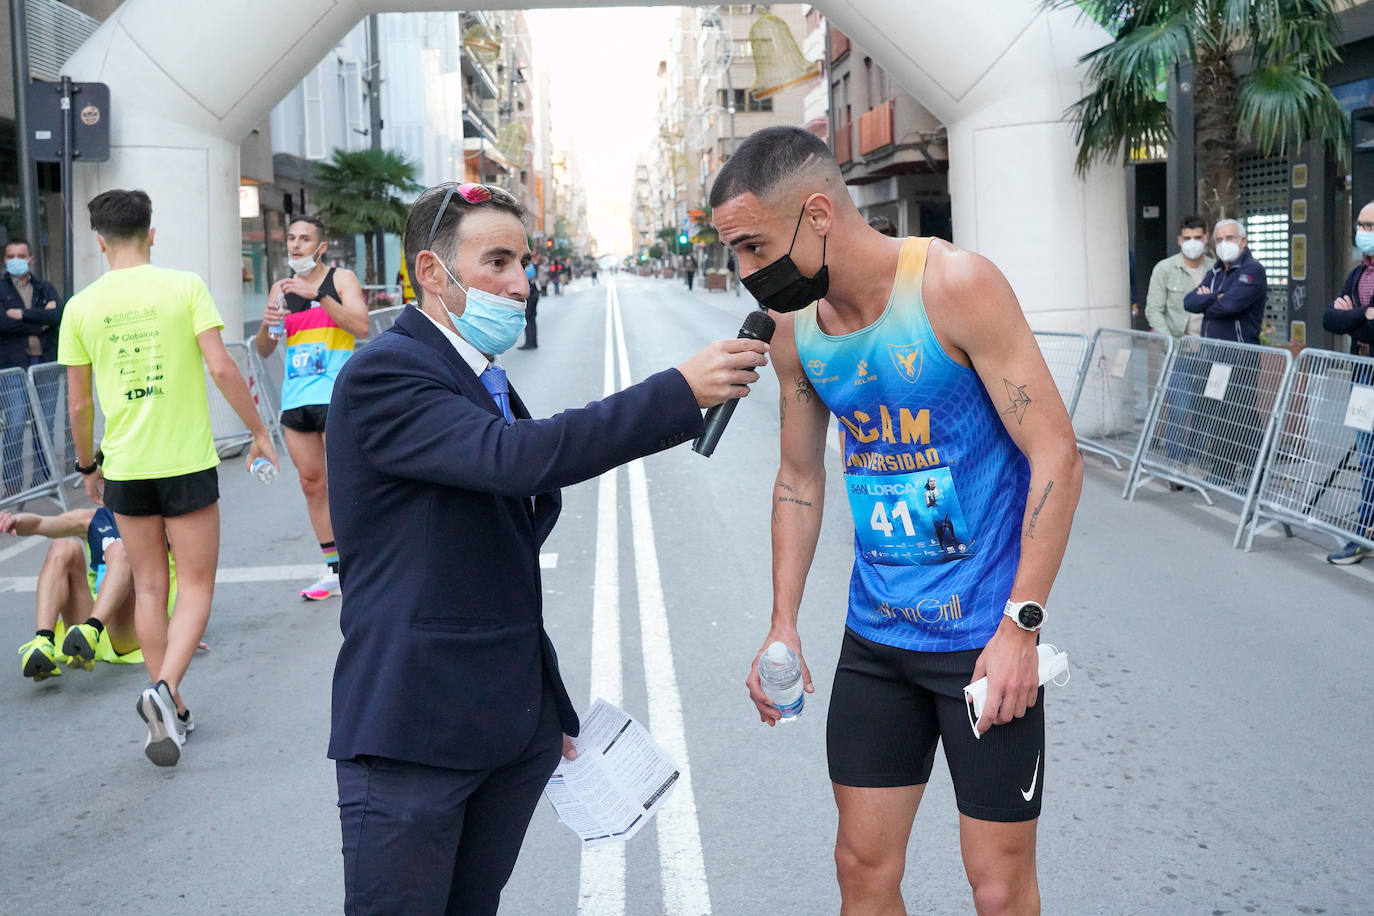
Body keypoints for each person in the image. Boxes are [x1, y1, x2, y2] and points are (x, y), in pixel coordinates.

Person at [326, 180, 767, 914]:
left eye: (522, 261)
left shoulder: (478, 378)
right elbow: (519, 460)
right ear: (432, 275)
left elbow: (493, 558)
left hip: (506, 731)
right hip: (414, 737)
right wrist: (676, 391)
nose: (520, 283)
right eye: (496, 261)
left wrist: (547, 707)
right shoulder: (388, 372)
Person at [712, 127, 1083, 915]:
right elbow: (800, 476)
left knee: (997, 887)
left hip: (983, 642)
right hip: (877, 640)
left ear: (817, 214)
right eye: (734, 254)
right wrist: (782, 623)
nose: (744, 273)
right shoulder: (795, 331)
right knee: (861, 869)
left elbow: (1055, 451)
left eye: (752, 247)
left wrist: (1021, 625)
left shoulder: (955, 286)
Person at [58, 188, 278, 767]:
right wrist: (260, 431)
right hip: (185, 461)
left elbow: (78, 405)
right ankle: (163, 692)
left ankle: (172, 708)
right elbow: (223, 366)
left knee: (150, 587)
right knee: (197, 586)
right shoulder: (184, 287)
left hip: (125, 466)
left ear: (99, 241)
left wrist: (88, 466)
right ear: (151, 234)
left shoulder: (80, 307)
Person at [255, 215, 369, 600]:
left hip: (337, 396)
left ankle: (366, 561)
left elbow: (361, 326)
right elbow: (266, 347)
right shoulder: (280, 288)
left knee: (346, 483)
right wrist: (268, 323)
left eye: (305, 239)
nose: (296, 245)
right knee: (312, 485)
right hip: (297, 399)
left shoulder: (341, 280)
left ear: (321, 247)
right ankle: (335, 571)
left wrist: (317, 294)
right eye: (291, 239)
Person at [5, 506, 201, 681]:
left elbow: (190, 578)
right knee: (63, 546)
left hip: (130, 625)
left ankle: (92, 629)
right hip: (82, 630)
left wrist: (182, 630)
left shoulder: (160, 520)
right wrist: (14, 521)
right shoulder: (92, 519)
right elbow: (40, 523)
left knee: (120, 549)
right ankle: (44, 641)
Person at [1184, 218, 1268, 486]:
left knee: (1242, 416)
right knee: (1220, 415)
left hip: (1240, 356)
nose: (1224, 244)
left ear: (1242, 241)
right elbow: (1190, 301)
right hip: (1214, 356)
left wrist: (1211, 298)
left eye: (1229, 238)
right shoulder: (1217, 270)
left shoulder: (1253, 271)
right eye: (1219, 240)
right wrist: (1215, 296)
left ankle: (1256, 474)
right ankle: (1223, 471)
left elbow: (1229, 306)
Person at [1321, 200, 1374, 565]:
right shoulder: (1357, 274)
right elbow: (1330, 320)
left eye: (1370, 225)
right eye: (1360, 224)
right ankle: (1364, 530)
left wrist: (1352, 317)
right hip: (1363, 378)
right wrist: (1363, 315)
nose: (1362, 231)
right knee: (1368, 459)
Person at [1145, 216, 1210, 474]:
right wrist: (1170, 341)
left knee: (1205, 410)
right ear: (1179, 240)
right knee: (1180, 408)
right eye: (1188, 238)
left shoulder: (1215, 269)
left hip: (1210, 350)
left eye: (1198, 237)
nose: (1193, 243)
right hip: (1179, 351)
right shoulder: (1165, 269)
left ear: (1205, 239)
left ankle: (1194, 462)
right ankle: (1175, 463)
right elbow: (1153, 309)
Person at [0, 238, 62, 495]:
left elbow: (58, 315)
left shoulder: (44, 287)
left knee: (44, 423)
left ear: (31, 259)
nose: (16, 260)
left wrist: (23, 314)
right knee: (15, 422)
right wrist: (40, 320)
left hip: (44, 363)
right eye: (11, 255)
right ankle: (12, 483)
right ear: (5, 260)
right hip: (13, 366)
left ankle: (42, 480)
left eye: (21, 255)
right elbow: (3, 324)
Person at [518, 253, 540, 350]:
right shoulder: (532, 265)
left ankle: (529, 343)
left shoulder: (523, 267)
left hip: (530, 295)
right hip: (535, 293)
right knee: (532, 319)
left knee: (527, 319)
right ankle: (534, 342)